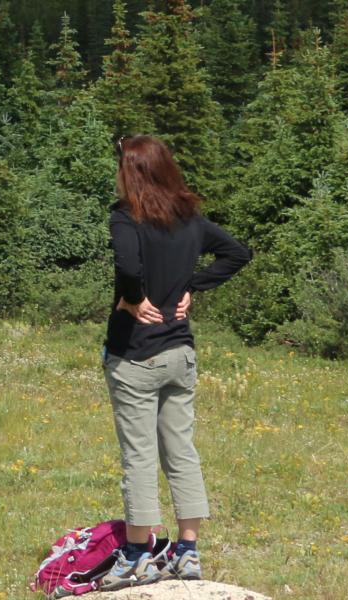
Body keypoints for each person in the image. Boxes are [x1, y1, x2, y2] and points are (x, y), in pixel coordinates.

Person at [95, 135, 252, 590]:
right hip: (180, 354)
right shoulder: (190, 219)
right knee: (181, 451)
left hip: (136, 356)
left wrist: (131, 300)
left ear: (132, 171)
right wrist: (192, 286)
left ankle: (137, 554)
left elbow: (127, 264)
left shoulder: (126, 216)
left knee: (140, 457)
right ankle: (187, 551)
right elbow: (238, 253)